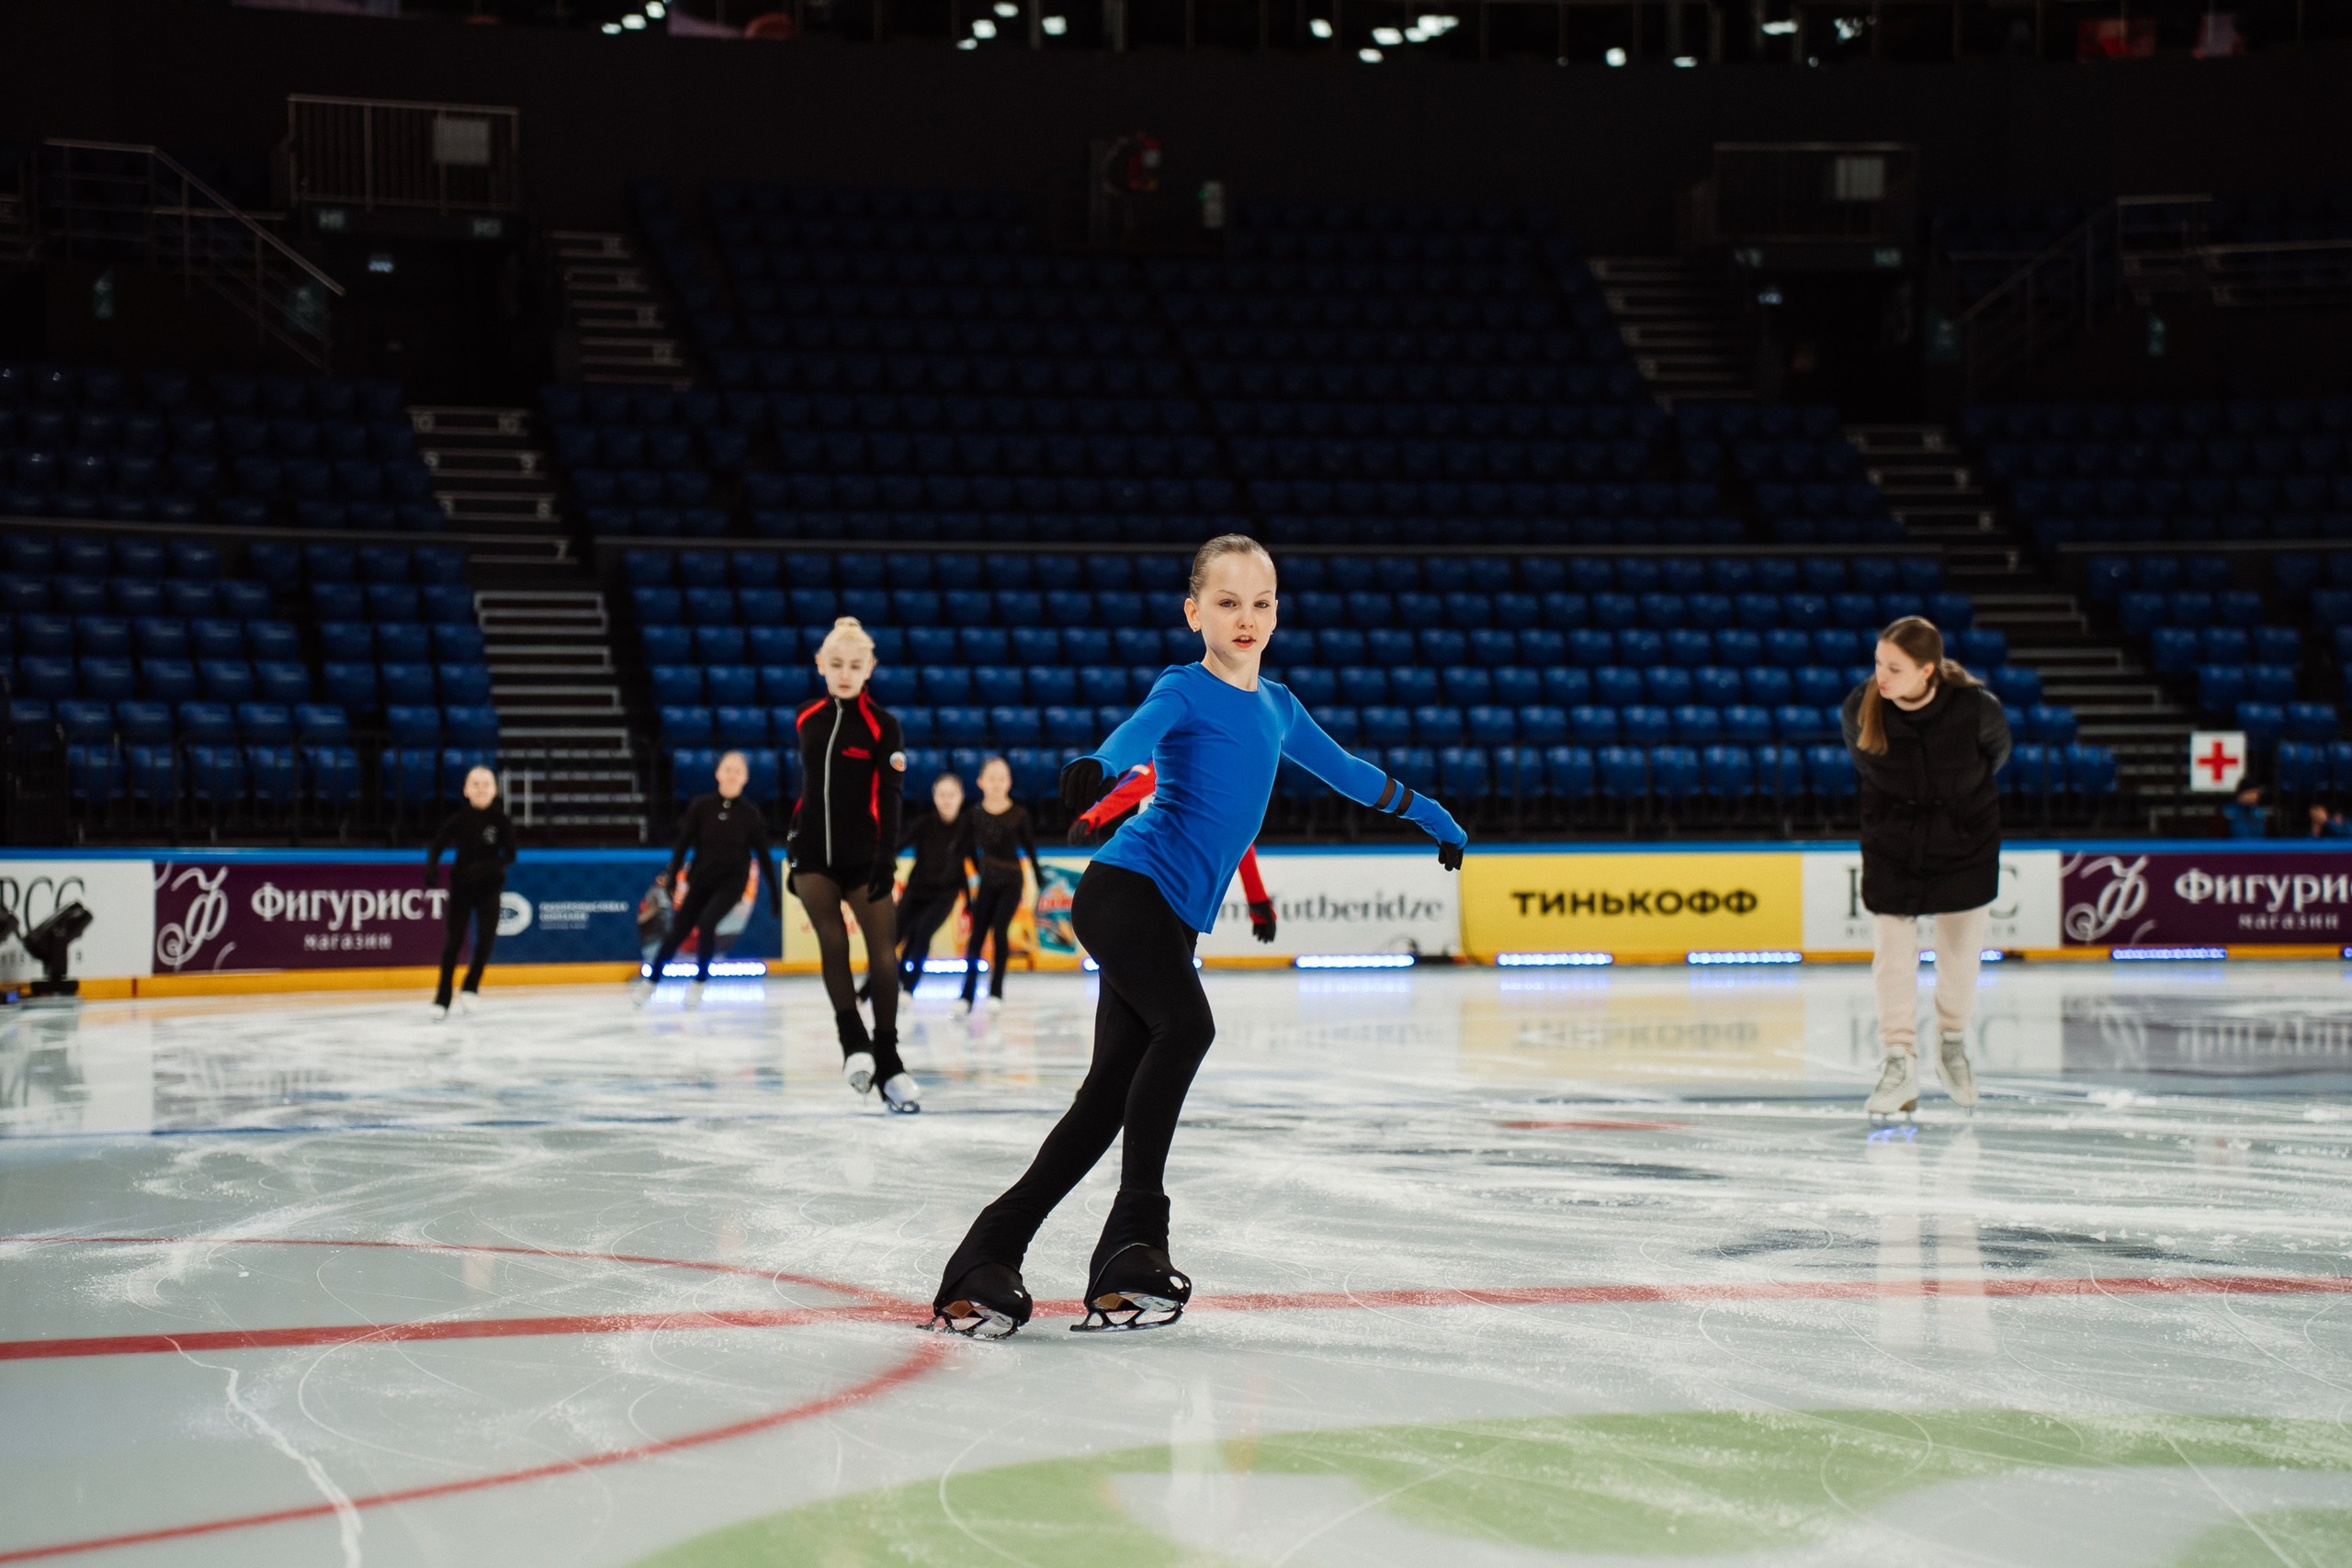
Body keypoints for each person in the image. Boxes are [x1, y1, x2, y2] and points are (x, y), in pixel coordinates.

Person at [930, 535, 1465, 1339]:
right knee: (1189, 1025)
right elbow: (1138, 732)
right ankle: (1135, 1239)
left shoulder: (1280, 706)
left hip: (1169, 917)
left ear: (1277, 612)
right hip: (1125, 890)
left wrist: (1435, 816)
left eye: (1260, 602)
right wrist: (1098, 762)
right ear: (1194, 613)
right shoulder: (1185, 686)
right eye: (1227, 602)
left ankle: (987, 1255)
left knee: (1107, 1097)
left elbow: (1351, 772)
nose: (1245, 618)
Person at [1842, 616, 2011, 1122]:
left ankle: (1952, 1044)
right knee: (1892, 955)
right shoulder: (1861, 705)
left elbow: (1996, 756)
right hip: (1892, 840)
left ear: (1928, 671)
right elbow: (1864, 761)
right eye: (1878, 664)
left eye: (1894, 668)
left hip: (1965, 837)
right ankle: (1899, 1061)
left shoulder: (1976, 708)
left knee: (1959, 954)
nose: (1882, 677)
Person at [788, 616, 918, 1112]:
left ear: (870, 669)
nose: (845, 672)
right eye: (836, 663)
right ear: (821, 665)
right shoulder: (806, 717)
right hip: (812, 857)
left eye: (855, 665)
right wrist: (792, 841)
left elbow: (891, 796)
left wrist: (887, 855)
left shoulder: (883, 725)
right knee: (832, 942)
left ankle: (888, 1056)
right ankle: (853, 1044)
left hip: (866, 859)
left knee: (884, 957)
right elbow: (808, 790)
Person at [1071, 761, 1278, 943]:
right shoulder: (1173, 765)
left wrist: (1257, 899)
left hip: (1175, 884)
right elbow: (1129, 790)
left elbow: (1237, 837)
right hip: (1154, 877)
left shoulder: (1217, 778)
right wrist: (1093, 816)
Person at [638, 750, 781, 1004]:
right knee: (677, 931)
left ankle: (700, 981)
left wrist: (774, 895)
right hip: (702, 879)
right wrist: (672, 879)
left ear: (745, 778)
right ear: (717, 773)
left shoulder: (750, 814)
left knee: (707, 922)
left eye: (738, 770)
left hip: (732, 883)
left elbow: (764, 855)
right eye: (728, 768)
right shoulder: (701, 806)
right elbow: (683, 844)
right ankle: (651, 981)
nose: (732, 774)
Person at [424, 765, 515, 1021]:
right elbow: (438, 843)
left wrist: (485, 867)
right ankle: (442, 998)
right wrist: (431, 866)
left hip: (489, 888)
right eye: (475, 784)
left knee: (486, 941)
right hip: (462, 888)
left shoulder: (501, 821)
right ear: (466, 790)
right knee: (452, 943)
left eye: (486, 784)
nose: (481, 789)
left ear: (494, 789)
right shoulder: (459, 820)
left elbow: (510, 855)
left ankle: (471, 985)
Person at [958, 755, 1044, 1015]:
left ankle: (996, 992)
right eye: (991, 778)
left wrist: (1039, 878)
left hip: (1011, 881)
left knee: (1000, 932)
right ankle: (967, 995)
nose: (996, 783)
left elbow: (1029, 849)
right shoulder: (973, 815)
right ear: (981, 782)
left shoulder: (1018, 813)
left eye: (1002, 778)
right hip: (987, 881)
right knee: (976, 937)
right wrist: (978, 870)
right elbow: (965, 849)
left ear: (1009, 782)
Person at [892, 772, 975, 999]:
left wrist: (970, 901)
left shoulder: (968, 828)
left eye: (952, 794)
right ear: (935, 796)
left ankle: (909, 988)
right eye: (942, 794)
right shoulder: (923, 824)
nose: (947, 799)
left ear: (961, 797)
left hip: (945, 894)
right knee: (892, 937)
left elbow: (974, 867)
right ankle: (875, 985)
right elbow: (895, 848)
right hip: (917, 889)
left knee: (921, 934)